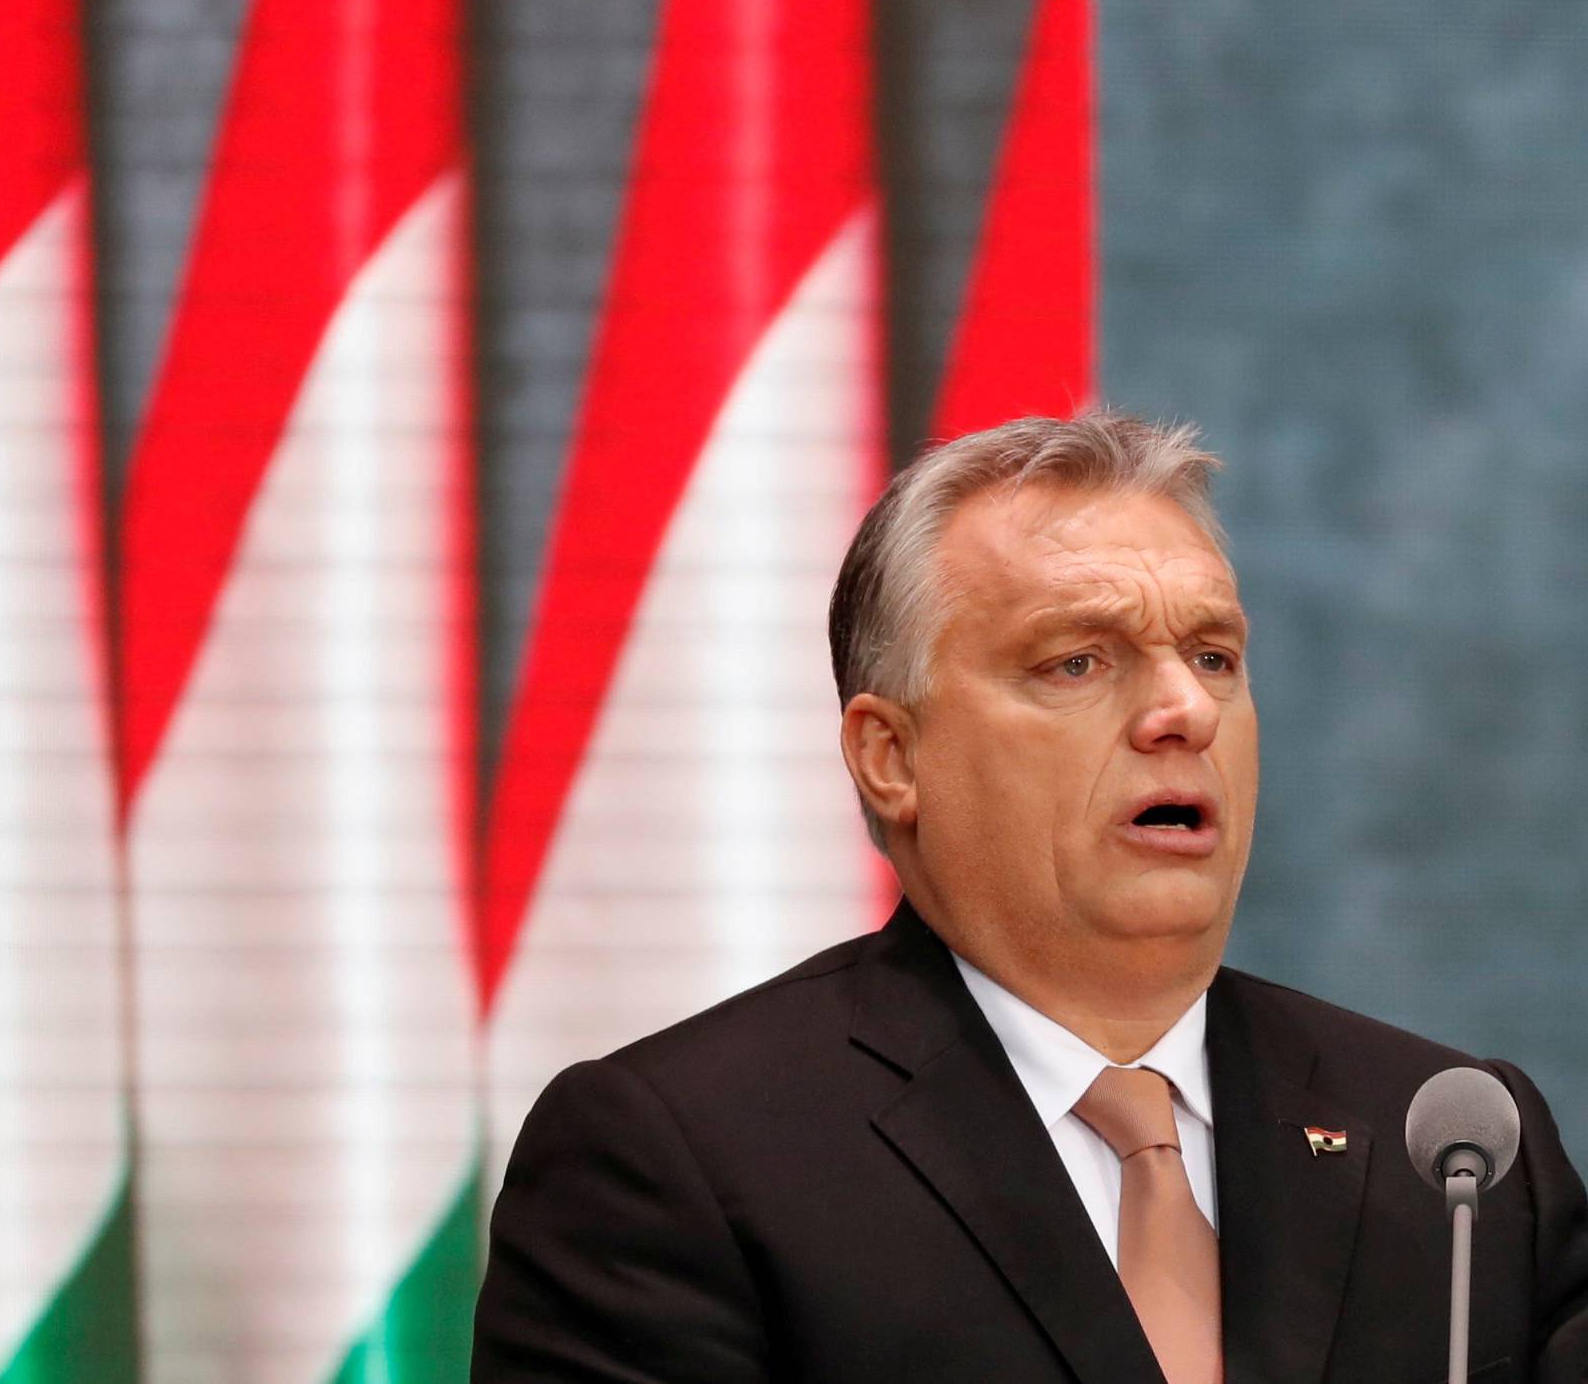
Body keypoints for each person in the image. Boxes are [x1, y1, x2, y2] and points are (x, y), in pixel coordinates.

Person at [471, 413, 1588, 1382]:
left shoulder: (1451, 1143)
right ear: (891, 757)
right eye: (1078, 663)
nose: (1181, 714)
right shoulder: (678, 1158)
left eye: (1212, 657)